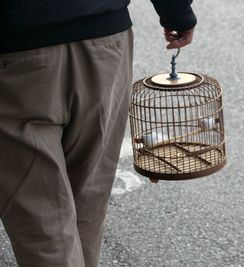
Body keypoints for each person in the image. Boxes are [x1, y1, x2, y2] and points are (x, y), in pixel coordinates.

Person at [0, 0, 196, 266]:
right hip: (105, 40)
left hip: (17, 48)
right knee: (87, 202)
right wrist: (177, 12)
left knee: (43, 224)